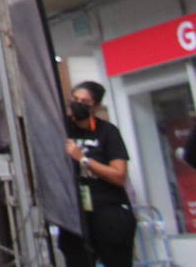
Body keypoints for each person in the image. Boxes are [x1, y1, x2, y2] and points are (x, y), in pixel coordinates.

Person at [58, 80, 136, 267]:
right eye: (74, 99)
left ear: (96, 106)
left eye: (84, 102)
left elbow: (119, 175)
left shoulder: (107, 132)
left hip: (107, 210)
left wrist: (84, 160)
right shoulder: (61, 128)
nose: (77, 104)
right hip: (74, 214)